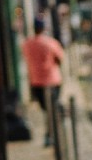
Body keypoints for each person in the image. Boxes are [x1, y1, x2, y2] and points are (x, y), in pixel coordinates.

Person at [21, 16, 65, 147]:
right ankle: (52, 134)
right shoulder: (51, 43)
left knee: (46, 110)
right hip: (53, 79)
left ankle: (50, 134)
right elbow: (59, 59)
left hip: (36, 81)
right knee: (52, 108)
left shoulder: (27, 44)